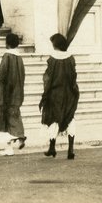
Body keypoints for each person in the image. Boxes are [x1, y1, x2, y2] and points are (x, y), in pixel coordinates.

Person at [41, 32, 79, 160]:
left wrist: (45, 93)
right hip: (69, 93)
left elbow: (48, 78)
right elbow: (74, 76)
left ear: (55, 45)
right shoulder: (71, 58)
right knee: (70, 117)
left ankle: (52, 147)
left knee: (53, 118)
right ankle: (71, 149)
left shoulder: (52, 59)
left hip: (55, 94)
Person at [0, 33, 26, 156]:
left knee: (4, 119)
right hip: (17, 91)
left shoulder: (7, 56)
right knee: (14, 115)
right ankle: (20, 135)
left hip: (5, 92)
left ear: (7, 43)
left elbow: (2, 74)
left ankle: (9, 147)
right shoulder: (19, 58)